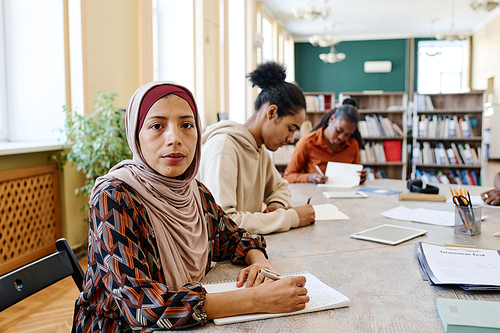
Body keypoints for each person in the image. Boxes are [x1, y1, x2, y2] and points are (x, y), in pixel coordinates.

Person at [74, 82, 309, 332]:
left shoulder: (193, 190)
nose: (174, 139)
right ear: (136, 134)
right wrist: (257, 300)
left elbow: (235, 237)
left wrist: (260, 262)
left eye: (187, 125)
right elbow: (141, 307)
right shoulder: (114, 196)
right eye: (156, 126)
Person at [198, 62, 315, 235]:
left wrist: (277, 204)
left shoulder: (258, 148)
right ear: (272, 113)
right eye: (290, 129)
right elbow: (223, 224)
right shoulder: (223, 148)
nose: (290, 139)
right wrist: (291, 218)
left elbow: (280, 187)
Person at [283, 103, 366, 184]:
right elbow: (288, 176)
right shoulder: (307, 142)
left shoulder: (353, 145)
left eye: (347, 134)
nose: (341, 137)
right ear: (332, 119)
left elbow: (355, 174)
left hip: (345, 195)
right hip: (316, 195)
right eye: (338, 130)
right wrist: (309, 178)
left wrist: (360, 177)